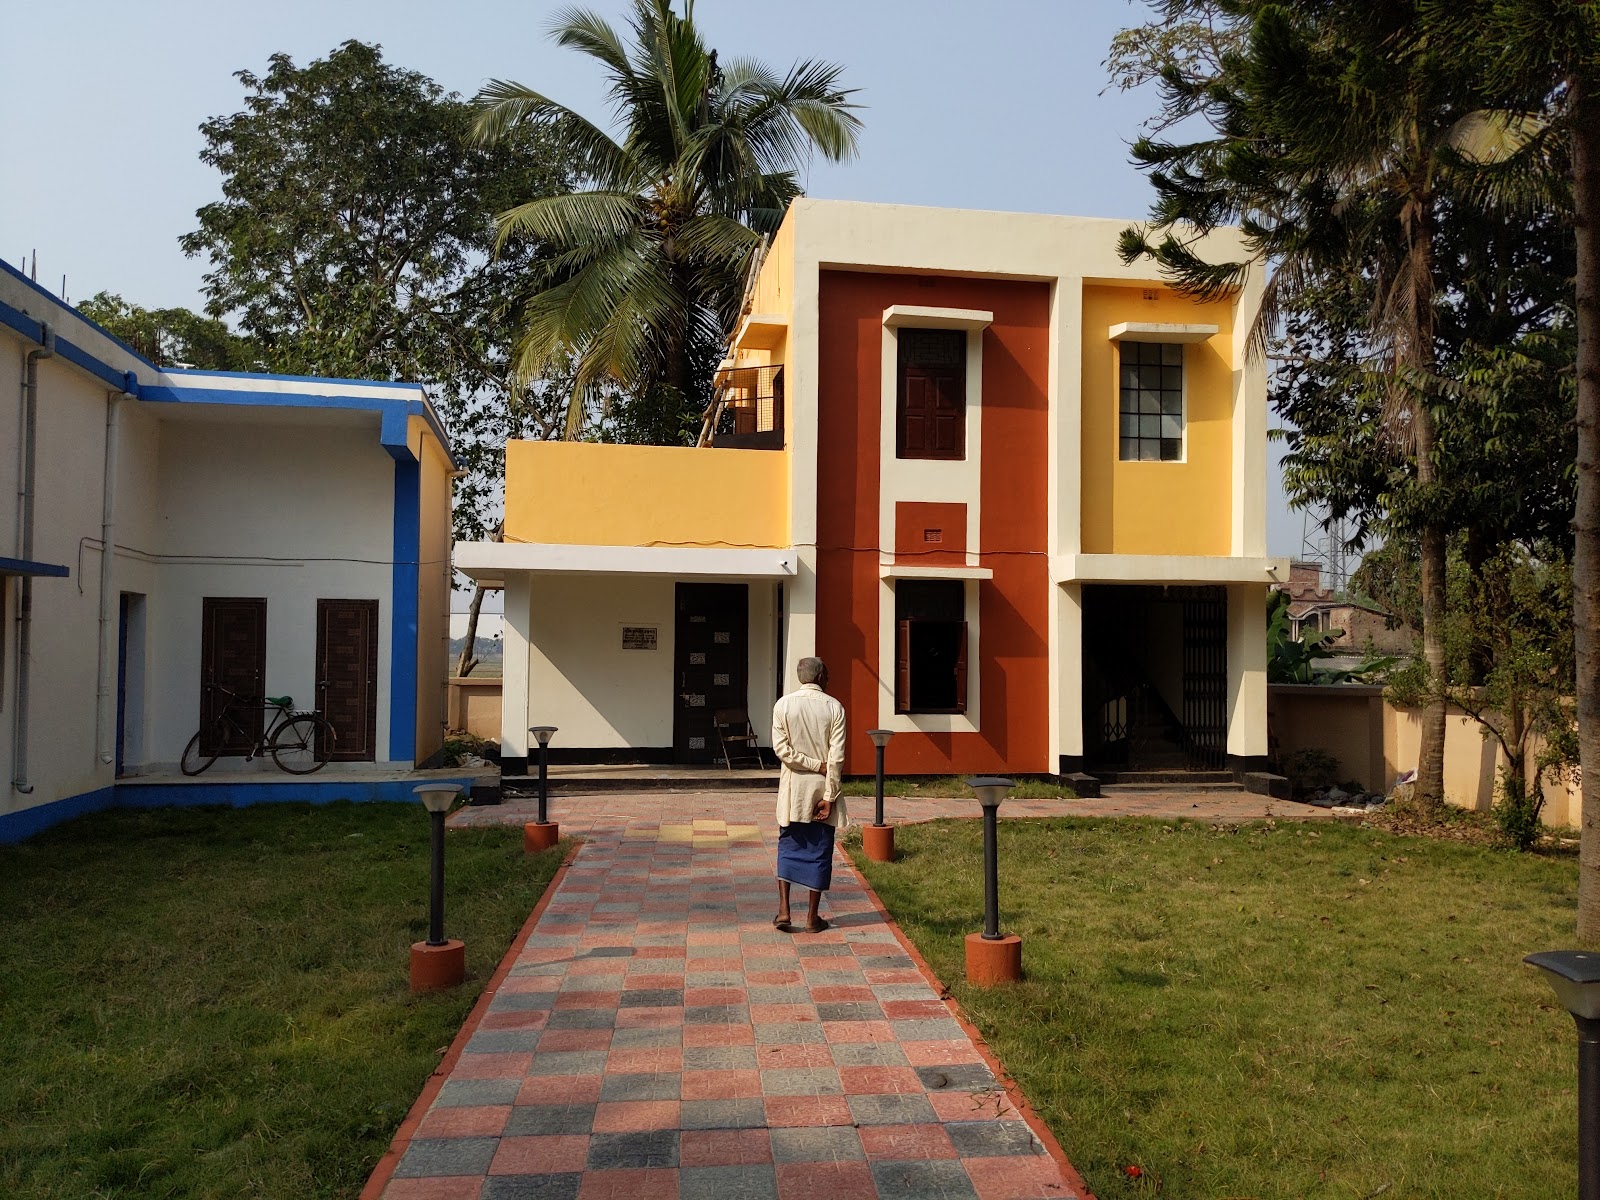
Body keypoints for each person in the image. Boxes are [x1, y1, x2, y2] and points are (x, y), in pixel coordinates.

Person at [770, 656, 847, 933]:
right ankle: (812, 917)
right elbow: (836, 758)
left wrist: (812, 764)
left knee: (788, 844)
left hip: (793, 790)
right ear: (822, 677)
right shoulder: (834, 707)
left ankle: (783, 910)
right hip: (820, 789)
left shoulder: (783, 705)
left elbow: (782, 751)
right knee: (819, 849)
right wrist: (830, 795)